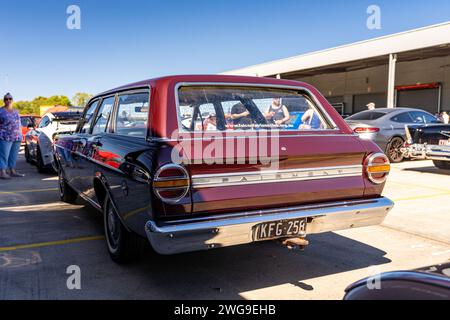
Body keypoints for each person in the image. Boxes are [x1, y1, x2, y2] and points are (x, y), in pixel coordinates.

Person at [0, 93, 25, 179]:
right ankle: (2, 172)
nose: (8, 100)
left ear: (12, 100)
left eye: (10, 99)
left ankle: (12, 171)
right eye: (6, 99)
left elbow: (19, 123)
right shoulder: (1, 111)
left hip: (17, 137)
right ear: (4, 101)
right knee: (4, 155)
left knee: (13, 155)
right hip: (5, 137)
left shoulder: (16, 111)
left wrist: (21, 135)